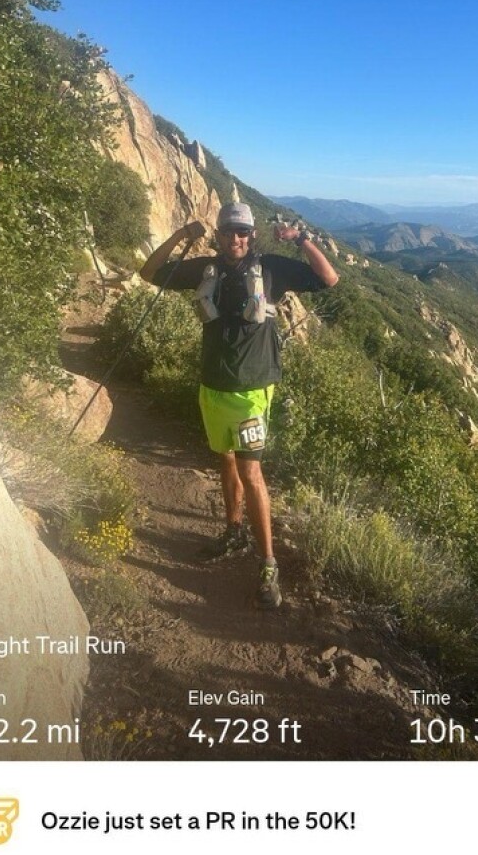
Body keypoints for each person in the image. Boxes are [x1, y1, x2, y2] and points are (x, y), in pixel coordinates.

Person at [140, 202, 339, 609]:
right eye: (230, 231)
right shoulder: (204, 269)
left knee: (252, 472)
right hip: (212, 386)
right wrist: (180, 236)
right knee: (225, 460)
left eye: (244, 232)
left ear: (252, 235)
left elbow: (329, 278)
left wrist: (300, 239)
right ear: (219, 234)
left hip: (251, 390)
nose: (237, 239)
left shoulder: (271, 269)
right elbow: (148, 273)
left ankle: (268, 565)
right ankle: (233, 532)